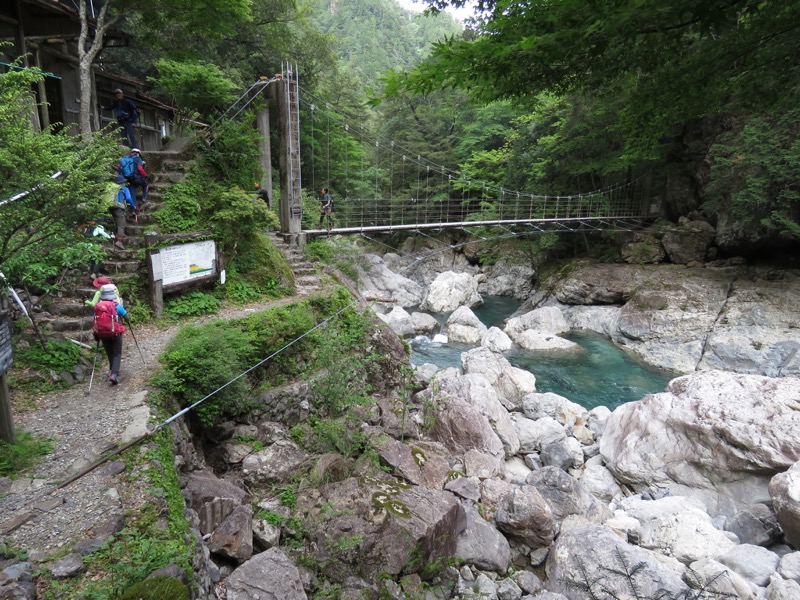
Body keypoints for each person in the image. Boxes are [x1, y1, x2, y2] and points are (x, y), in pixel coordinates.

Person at [91, 283, 127, 385]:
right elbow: (126, 316)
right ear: (112, 296)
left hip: (102, 334)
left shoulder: (98, 307)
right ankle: (114, 374)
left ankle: (112, 370)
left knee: (109, 352)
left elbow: (94, 320)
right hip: (115, 333)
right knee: (117, 353)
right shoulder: (117, 306)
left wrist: (96, 335)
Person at [109, 175, 136, 250]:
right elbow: (129, 198)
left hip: (109, 207)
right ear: (123, 182)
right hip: (119, 208)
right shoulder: (124, 188)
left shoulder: (111, 188)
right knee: (121, 224)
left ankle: (112, 235)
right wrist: (133, 206)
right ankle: (119, 241)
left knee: (114, 221)